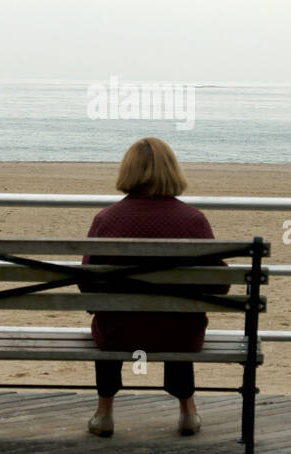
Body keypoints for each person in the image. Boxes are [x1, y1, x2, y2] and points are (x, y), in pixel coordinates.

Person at [81, 137, 228, 438]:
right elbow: (221, 284)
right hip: (179, 334)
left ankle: (104, 413)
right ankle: (188, 412)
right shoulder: (193, 221)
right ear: (172, 171)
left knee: (113, 318)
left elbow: (87, 283)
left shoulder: (106, 220)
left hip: (118, 333)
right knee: (178, 317)